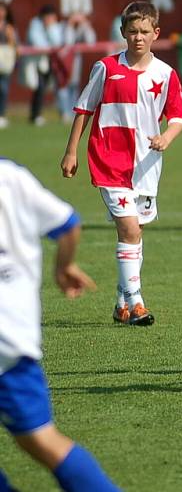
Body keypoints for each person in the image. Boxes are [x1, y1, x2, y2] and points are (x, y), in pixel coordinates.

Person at [60, 1, 182, 326]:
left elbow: (178, 117)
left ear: (156, 33)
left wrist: (166, 139)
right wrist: (71, 151)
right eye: (132, 32)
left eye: (145, 31)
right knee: (129, 229)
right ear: (123, 33)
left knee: (134, 233)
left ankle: (121, 303)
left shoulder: (165, 74)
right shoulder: (105, 68)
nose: (138, 37)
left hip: (145, 165)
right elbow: (84, 109)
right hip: (108, 161)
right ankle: (137, 303)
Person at [0, 159, 118, 491]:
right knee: (41, 439)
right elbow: (67, 223)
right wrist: (63, 267)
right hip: (12, 334)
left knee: (39, 440)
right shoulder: (9, 176)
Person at [54, 12, 97, 124]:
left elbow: (91, 42)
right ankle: (64, 112)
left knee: (74, 85)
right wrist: (70, 24)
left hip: (75, 60)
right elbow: (68, 42)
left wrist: (86, 25)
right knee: (63, 84)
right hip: (62, 59)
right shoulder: (63, 26)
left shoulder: (81, 27)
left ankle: (72, 111)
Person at [25, 5, 64, 126]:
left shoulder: (55, 26)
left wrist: (50, 28)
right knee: (39, 88)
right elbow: (37, 43)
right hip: (37, 62)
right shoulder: (35, 25)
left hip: (51, 62)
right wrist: (49, 46)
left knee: (46, 88)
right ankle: (35, 114)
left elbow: (57, 42)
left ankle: (39, 114)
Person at [0, 1, 17, 129]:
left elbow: (14, 45)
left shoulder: (9, 27)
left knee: (3, 88)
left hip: (4, 63)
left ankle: (2, 115)